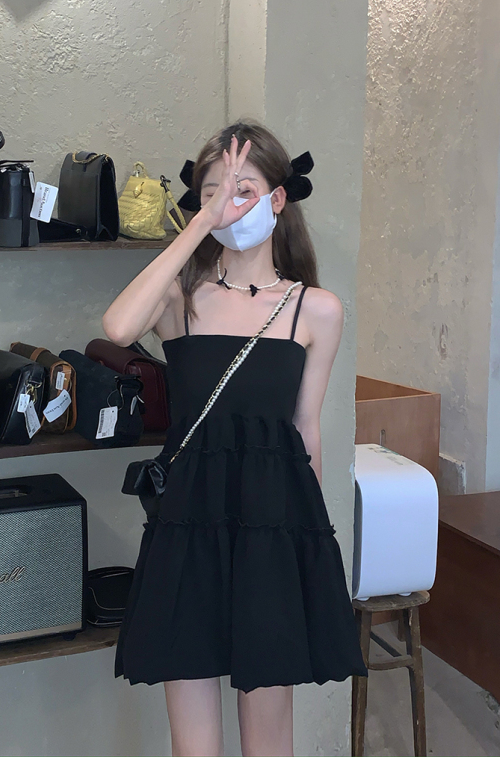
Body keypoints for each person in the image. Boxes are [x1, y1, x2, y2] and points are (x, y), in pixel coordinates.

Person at [103, 120, 368, 757]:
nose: (228, 203)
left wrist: (310, 545)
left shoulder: (315, 308)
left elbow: (305, 428)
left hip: (273, 525)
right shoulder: (182, 298)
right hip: (188, 522)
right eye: (214, 190)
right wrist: (198, 225)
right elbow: (118, 328)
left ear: (278, 199)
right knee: (194, 744)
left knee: (268, 738)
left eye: (243, 189)